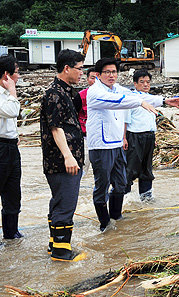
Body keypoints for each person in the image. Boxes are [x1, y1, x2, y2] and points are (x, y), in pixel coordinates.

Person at [87, 58, 179, 232]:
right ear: (98, 75)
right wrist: (140, 102)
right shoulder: (95, 91)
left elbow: (137, 95)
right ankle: (105, 225)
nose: (111, 76)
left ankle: (116, 217)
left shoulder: (117, 88)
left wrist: (164, 101)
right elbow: (119, 101)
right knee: (102, 186)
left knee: (120, 183)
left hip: (116, 144)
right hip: (101, 145)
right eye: (107, 72)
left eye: (114, 72)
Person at [40, 49, 86, 261]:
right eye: (79, 69)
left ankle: (55, 244)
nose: (81, 73)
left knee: (59, 202)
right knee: (66, 204)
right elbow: (55, 128)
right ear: (66, 68)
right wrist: (68, 156)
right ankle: (61, 252)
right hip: (61, 161)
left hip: (69, 159)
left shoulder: (68, 92)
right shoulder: (54, 93)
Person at [123, 70, 158, 201]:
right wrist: (124, 138)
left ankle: (146, 197)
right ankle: (124, 198)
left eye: (148, 82)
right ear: (135, 84)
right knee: (130, 168)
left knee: (147, 169)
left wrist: (153, 137)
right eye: (142, 82)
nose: (145, 85)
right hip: (134, 137)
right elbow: (125, 120)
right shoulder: (132, 99)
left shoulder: (152, 100)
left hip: (149, 136)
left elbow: (151, 120)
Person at [0, 54, 23, 240]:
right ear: (7, 75)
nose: (19, 76)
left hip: (11, 147)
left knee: (13, 192)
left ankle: (11, 233)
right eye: (16, 72)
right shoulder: (4, 95)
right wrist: (13, 90)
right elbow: (13, 111)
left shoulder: (7, 95)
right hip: (0, 148)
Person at [73, 68, 98, 177]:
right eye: (92, 78)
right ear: (88, 79)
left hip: (101, 136)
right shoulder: (81, 96)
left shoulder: (108, 96)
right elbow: (74, 115)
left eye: (98, 78)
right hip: (84, 135)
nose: (95, 81)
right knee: (84, 162)